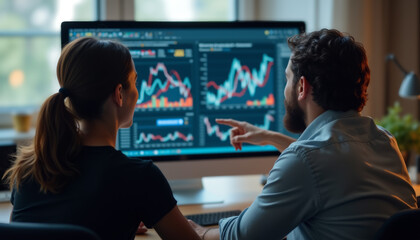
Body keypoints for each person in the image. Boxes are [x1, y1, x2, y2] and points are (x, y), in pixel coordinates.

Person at [189, 29, 418, 240]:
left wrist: (200, 230)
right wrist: (270, 137)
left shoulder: (305, 160)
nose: (284, 88)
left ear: (301, 87)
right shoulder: (384, 140)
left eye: (287, 78)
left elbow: (245, 236)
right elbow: (331, 157)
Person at [3, 37, 200, 240]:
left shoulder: (28, 168)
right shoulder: (140, 178)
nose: (138, 92)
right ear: (119, 94)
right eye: (134, 82)